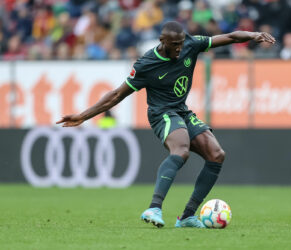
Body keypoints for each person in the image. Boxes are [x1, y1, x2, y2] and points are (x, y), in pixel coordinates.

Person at [56, 21, 275, 228]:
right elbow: (115, 95)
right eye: (174, 45)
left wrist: (253, 35)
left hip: (181, 110)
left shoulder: (190, 43)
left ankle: (188, 216)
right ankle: (153, 209)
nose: (179, 49)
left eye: (181, 44)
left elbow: (228, 36)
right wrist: (83, 116)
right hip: (162, 113)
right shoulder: (146, 64)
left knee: (216, 154)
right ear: (163, 41)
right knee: (181, 150)